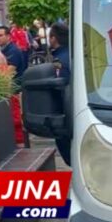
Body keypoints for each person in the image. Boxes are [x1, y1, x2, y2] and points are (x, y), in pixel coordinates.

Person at [0, 25, 28, 146]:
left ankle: (20, 144)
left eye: (0, 35)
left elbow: (8, 73)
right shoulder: (4, 51)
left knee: (16, 120)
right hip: (11, 91)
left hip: (15, 91)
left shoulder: (13, 51)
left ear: (8, 36)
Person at [48, 22, 73, 165]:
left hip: (65, 113)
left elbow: (60, 86)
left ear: (54, 38)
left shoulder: (59, 60)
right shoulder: (73, 54)